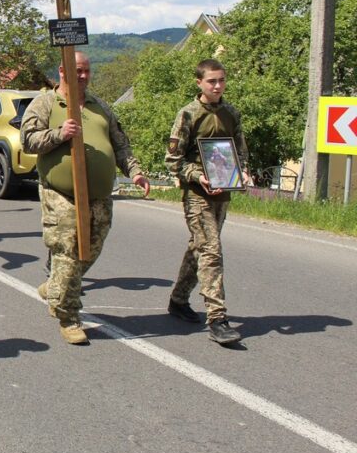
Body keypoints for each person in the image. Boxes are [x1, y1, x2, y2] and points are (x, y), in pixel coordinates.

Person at [21, 51, 150, 345]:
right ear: (62, 71)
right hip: (60, 192)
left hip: (99, 194)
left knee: (92, 247)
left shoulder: (100, 106)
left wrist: (136, 172)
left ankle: (56, 284)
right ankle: (69, 316)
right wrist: (59, 134)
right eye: (76, 70)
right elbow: (28, 141)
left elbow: (120, 146)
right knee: (68, 245)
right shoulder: (45, 103)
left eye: (86, 71)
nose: (82, 76)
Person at [165, 58, 251, 346]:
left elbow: (239, 150)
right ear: (199, 82)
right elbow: (173, 160)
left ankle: (178, 300)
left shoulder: (231, 113)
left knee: (199, 247)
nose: (217, 86)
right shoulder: (188, 114)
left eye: (222, 80)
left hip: (222, 193)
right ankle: (217, 318)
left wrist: (243, 172)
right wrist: (197, 176)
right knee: (211, 250)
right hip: (197, 194)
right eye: (212, 81)